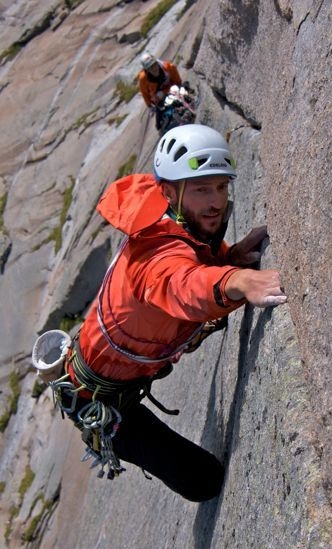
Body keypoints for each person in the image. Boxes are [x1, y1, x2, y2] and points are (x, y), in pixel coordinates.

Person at [55, 124, 287, 502]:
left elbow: (193, 257)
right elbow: (180, 284)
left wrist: (229, 258)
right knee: (203, 481)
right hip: (98, 401)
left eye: (222, 187)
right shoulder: (155, 256)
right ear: (168, 191)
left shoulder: (173, 219)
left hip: (112, 375)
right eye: (201, 189)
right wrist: (239, 281)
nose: (216, 201)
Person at [138, 52, 182, 130]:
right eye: (150, 67)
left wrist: (167, 91)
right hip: (158, 99)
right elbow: (144, 93)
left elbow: (177, 81)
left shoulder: (168, 67)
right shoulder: (143, 79)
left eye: (154, 64)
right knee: (159, 126)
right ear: (147, 70)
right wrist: (149, 105)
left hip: (172, 89)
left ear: (156, 62)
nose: (154, 68)